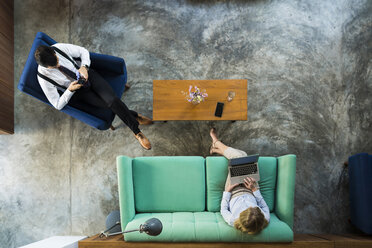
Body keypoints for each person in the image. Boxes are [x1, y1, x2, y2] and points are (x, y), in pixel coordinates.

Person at [34, 44, 152, 150]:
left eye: (58, 60)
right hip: (78, 91)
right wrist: (70, 90)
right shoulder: (43, 78)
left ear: (54, 53)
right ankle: (134, 116)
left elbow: (83, 51)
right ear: (46, 67)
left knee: (112, 100)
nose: (58, 65)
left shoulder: (58, 48)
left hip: (88, 75)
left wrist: (84, 67)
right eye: (54, 67)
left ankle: (137, 132)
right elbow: (57, 104)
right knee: (108, 105)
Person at [209, 128, 270, 234]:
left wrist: (227, 191)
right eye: (253, 207)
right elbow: (263, 205)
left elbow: (223, 210)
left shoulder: (233, 220)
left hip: (233, 190)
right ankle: (215, 148)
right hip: (251, 188)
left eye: (247, 209)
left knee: (239, 157)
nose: (250, 205)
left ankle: (216, 142)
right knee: (243, 156)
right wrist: (254, 189)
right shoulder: (265, 218)